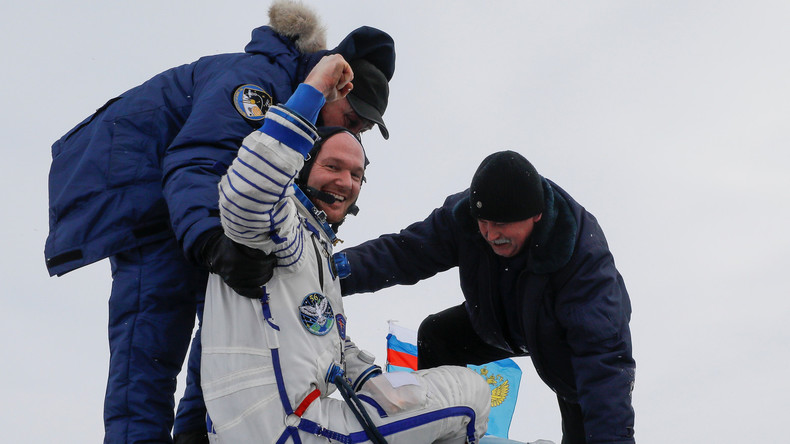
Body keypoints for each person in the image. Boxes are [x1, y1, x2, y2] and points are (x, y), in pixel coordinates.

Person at [43, 1, 395, 442]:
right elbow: (199, 162)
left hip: (196, 210)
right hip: (153, 207)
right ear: (334, 87)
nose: (354, 132)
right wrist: (212, 243)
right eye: (353, 118)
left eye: (364, 127)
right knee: (150, 350)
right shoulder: (260, 85)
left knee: (226, 345)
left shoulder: (297, 112)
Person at [200, 55, 492, 444]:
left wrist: (373, 382)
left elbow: (327, 340)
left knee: (419, 395)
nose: (346, 181)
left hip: (283, 424)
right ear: (302, 169)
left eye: (356, 175)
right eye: (333, 166)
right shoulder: (282, 226)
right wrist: (314, 91)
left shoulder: (318, 250)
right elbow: (248, 192)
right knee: (470, 393)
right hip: (287, 428)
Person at [339, 151, 636, 444]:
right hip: (494, 319)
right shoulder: (463, 219)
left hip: (563, 343)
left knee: (587, 417)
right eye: (484, 222)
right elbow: (403, 252)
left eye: (502, 225)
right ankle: (433, 431)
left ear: (536, 214)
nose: (492, 235)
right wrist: (331, 273)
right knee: (437, 334)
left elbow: (604, 364)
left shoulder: (582, 260)